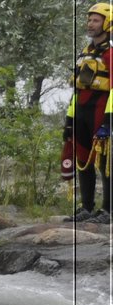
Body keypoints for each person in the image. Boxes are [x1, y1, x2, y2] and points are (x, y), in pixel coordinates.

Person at [68, 2, 113, 221]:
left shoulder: (110, 54)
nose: (90, 24)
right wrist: (69, 120)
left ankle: (108, 210)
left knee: (106, 162)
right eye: (89, 20)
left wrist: (108, 121)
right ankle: (86, 207)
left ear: (107, 23)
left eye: (96, 20)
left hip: (101, 111)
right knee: (82, 159)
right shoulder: (84, 53)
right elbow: (76, 89)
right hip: (81, 112)